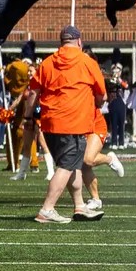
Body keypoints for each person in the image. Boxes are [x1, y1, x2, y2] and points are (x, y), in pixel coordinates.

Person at [28, 26, 114, 224]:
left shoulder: (47, 63)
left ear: (61, 42)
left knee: (72, 165)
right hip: (73, 123)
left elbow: (33, 92)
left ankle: (80, 206)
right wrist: (98, 103)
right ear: (79, 42)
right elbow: (102, 95)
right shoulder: (87, 62)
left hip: (49, 123)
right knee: (67, 166)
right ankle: (47, 209)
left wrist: (27, 117)